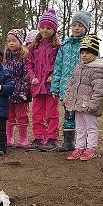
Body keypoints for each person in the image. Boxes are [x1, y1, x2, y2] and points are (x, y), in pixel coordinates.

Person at [64, 35, 103, 161]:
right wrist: (68, 99)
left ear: (94, 53)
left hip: (89, 106)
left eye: (87, 52)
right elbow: (72, 85)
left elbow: (99, 90)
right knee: (80, 127)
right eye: (82, 52)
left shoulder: (97, 70)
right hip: (77, 105)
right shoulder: (78, 68)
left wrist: (93, 104)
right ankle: (79, 147)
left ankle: (91, 148)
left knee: (91, 127)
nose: (84, 55)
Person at [51, 11, 91, 152]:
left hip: (82, 87)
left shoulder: (88, 45)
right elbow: (58, 67)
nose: (76, 28)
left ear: (86, 28)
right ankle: (68, 143)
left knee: (81, 115)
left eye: (80, 25)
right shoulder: (65, 46)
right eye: (74, 25)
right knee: (68, 114)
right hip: (66, 87)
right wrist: (55, 87)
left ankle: (83, 143)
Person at [26, 9, 61, 151]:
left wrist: (54, 75)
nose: (45, 30)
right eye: (42, 27)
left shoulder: (58, 46)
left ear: (54, 29)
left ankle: (52, 138)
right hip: (37, 86)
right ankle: (39, 137)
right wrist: (32, 77)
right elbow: (29, 64)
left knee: (52, 113)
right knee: (37, 113)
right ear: (39, 28)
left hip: (51, 86)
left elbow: (60, 63)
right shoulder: (33, 46)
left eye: (48, 28)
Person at [3, 29, 31, 148]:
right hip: (8, 92)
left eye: (14, 40)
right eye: (9, 41)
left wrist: (24, 90)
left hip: (21, 93)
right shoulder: (5, 58)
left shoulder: (24, 57)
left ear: (20, 41)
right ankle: (9, 138)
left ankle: (23, 139)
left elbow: (26, 75)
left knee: (22, 116)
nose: (11, 43)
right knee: (9, 117)